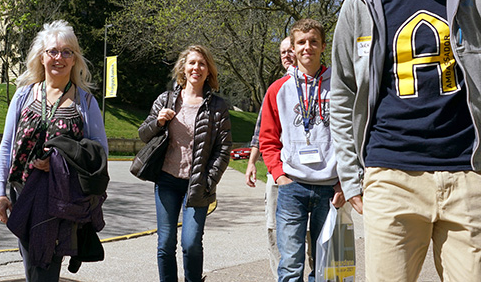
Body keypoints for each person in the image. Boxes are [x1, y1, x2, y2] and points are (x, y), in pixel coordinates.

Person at [329, 0, 481, 281]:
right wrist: (352, 175)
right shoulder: (360, 6)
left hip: (466, 174)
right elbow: (341, 93)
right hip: (390, 176)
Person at [0, 20, 109, 281]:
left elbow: (99, 154)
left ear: (75, 59)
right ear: (41, 57)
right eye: (53, 51)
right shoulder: (23, 95)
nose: (59, 58)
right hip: (23, 194)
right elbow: (7, 145)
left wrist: (59, 161)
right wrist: (0, 192)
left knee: (43, 268)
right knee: (33, 267)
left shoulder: (85, 101)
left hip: (61, 200)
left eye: (67, 52)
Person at [260, 18, 345, 282]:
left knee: (328, 268)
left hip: (330, 189)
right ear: (293, 49)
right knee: (290, 266)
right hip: (292, 187)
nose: (307, 47)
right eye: (301, 42)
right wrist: (279, 175)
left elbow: (353, 137)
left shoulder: (341, 87)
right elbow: (268, 138)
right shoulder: (278, 89)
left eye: (313, 42)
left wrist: (345, 182)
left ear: (323, 46)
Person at [139, 45, 232, 282]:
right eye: (192, 63)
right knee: (165, 243)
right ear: (183, 67)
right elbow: (143, 134)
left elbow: (223, 149)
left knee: (191, 243)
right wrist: (158, 122)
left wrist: (209, 180)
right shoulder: (166, 99)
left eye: (202, 64)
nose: (196, 68)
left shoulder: (217, 106)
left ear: (208, 70)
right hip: (167, 181)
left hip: (198, 183)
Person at [244, 36, 294, 278]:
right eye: (282, 52)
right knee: (273, 228)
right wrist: (252, 162)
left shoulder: (321, 85)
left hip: (307, 172)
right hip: (277, 171)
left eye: (290, 50)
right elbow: (260, 130)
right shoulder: (275, 88)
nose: (286, 55)